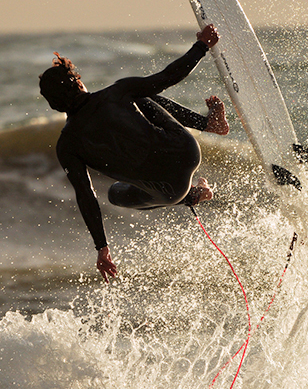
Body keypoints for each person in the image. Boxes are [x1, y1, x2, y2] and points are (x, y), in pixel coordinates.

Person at [39, 25, 229, 283]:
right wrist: (202, 46)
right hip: (184, 151)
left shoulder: (68, 145)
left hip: (170, 190)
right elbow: (168, 76)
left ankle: (191, 195)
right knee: (142, 91)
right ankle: (209, 125)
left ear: (53, 105)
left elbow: (86, 196)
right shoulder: (117, 93)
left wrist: (102, 249)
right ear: (79, 82)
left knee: (114, 194)